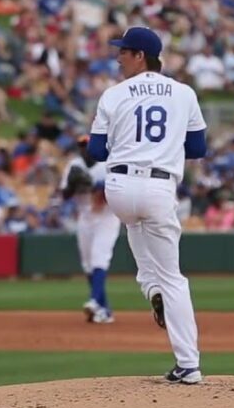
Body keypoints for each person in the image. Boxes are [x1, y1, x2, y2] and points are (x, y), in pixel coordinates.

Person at [87, 26, 208, 384]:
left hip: (120, 187)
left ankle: (151, 290)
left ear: (141, 55)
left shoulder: (113, 94)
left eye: (123, 51)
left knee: (137, 234)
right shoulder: (184, 93)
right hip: (158, 187)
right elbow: (198, 149)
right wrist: (164, 146)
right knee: (174, 278)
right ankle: (189, 365)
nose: (118, 56)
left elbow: (94, 152)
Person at [60, 136, 120, 324]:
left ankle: (94, 301)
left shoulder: (108, 164)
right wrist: (71, 185)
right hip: (85, 219)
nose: (85, 149)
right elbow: (64, 195)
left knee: (99, 259)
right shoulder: (74, 165)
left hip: (107, 218)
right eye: (82, 146)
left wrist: (94, 185)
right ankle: (104, 309)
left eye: (87, 145)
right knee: (87, 265)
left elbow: (116, 191)